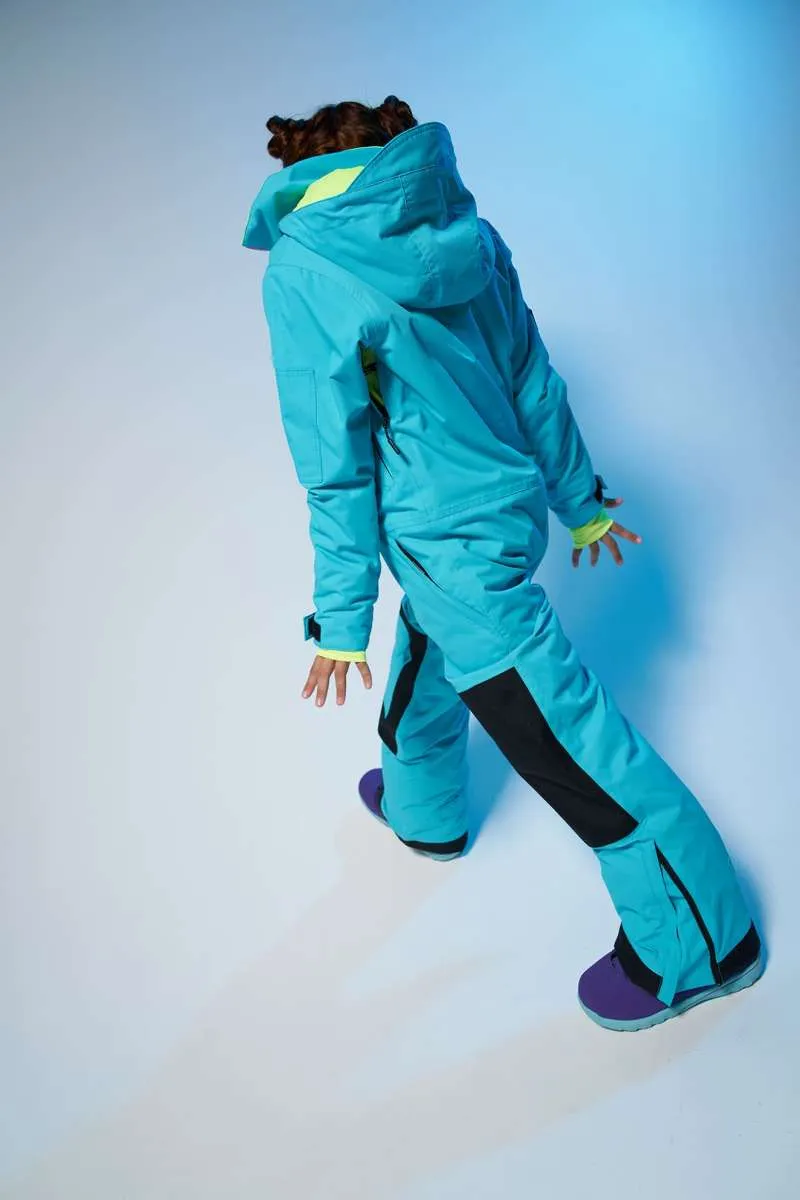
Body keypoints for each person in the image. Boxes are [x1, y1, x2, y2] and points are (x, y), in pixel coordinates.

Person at [243, 95, 764, 1031]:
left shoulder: (304, 270)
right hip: (504, 514)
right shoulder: (461, 224)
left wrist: (339, 618)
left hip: (449, 548)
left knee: (570, 743)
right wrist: (580, 503)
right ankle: (424, 809)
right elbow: (532, 376)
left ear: (304, 173)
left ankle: (704, 943)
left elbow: (333, 461)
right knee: (433, 650)